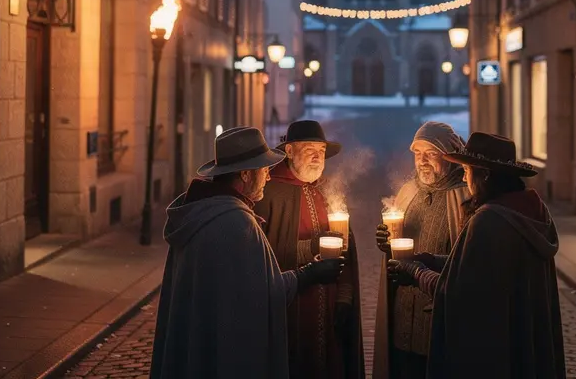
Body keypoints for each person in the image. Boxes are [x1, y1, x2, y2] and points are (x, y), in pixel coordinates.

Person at [149, 126, 345, 379]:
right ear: (245, 175)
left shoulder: (201, 212)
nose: (269, 177)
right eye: (264, 170)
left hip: (202, 343)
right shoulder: (236, 222)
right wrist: (308, 274)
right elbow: (265, 292)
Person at [394, 132, 566, 379]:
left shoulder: (488, 221)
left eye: (467, 169)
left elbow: (457, 292)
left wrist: (416, 272)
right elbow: (477, 265)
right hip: (520, 334)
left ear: (484, 175)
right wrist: (431, 260)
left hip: (494, 347)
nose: (464, 176)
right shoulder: (528, 212)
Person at [255, 120, 365, 379]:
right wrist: (312, 250)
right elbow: (262, 255)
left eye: (322, 151)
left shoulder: (326, 190)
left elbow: (345, 250)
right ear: (289, 151)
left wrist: (345, 294)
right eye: (309, 150)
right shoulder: (269, 192)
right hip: (291, 303)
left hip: (328, 301)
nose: (318, 157)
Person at [372, 121, 467, 379]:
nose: (422, 161)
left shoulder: (465, 197)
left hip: (438, 315)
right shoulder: (408, 192)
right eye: (417, 154)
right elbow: (396, 243)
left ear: (450, 155)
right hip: (403, 315)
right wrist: (385, 243)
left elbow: (466, 263)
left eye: (431, 153)